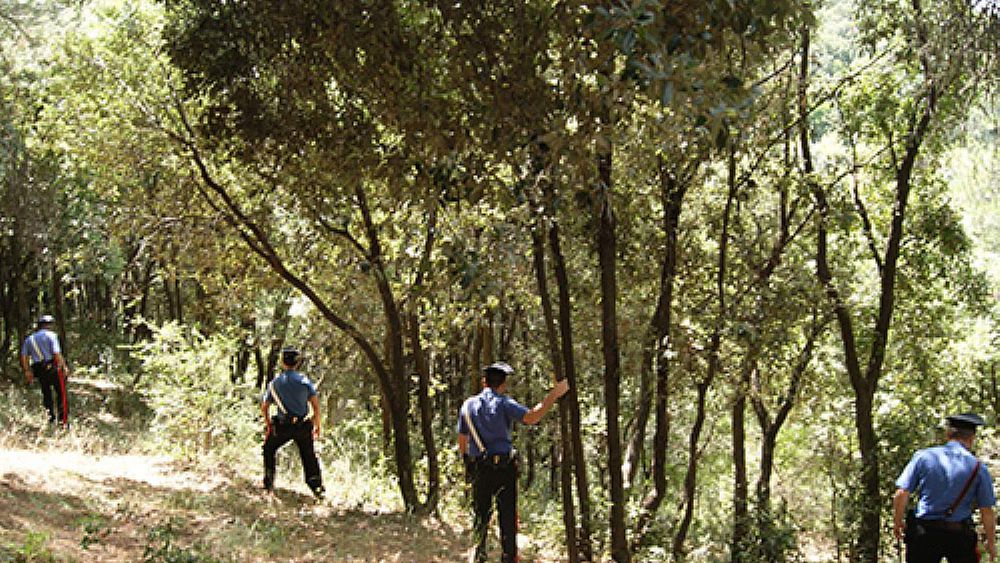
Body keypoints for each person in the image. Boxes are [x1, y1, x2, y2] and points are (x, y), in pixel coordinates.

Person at [457, 361, 570, 563]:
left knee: (481, 514)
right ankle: (508, 557)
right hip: (504, 469)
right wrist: (554, 394)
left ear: (484, 382)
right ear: (503, 384)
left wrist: (468, 463)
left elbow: (462, 440)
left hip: (479, 468)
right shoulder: (504, 403)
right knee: (507, 517)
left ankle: (479, 554)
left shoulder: (468, 406)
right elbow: (532, 417)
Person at [893, 412, 997, 562]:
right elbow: (986, 510)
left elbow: (902, 493)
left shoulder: (923, 457)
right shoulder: (978, 467)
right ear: (971, 438)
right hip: (959, 536)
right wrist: (991, 543)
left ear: (948, 434)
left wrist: (898, 522)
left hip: (924, 533)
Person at [261, 347, 325, 499]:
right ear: (297, 363)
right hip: (303, 426)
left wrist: (269, 425)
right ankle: (317, 489)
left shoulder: (275, 383)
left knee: (269, 449)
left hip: (282, 426)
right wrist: (317, 426)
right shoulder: (304, 381)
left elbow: (264, 406)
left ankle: (269, 484)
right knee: (309, 456)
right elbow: (315, 406)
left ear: (283, 362)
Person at [20, 314, 71, 426]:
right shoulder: (52, 336)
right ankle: (63, 421)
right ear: (49, 325)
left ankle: (50, 419)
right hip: (53, 367)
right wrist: (64, 367)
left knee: (46, 393)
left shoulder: (30, 339)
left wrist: (27, 371)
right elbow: (57, 354)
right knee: (61, 394)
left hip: (39, 369)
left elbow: (24, 357)